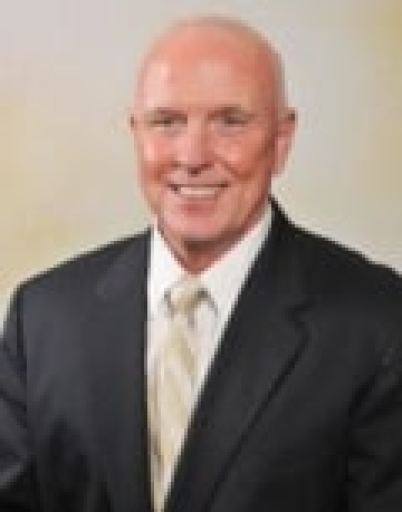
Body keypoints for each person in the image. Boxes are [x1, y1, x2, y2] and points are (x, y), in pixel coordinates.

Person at [1, 15, 402, 512]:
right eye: (167, 122)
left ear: (281, 139)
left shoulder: (378, 324)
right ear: (136, 133)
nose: (192, 156)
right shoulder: (42, 319)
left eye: (230, 121)